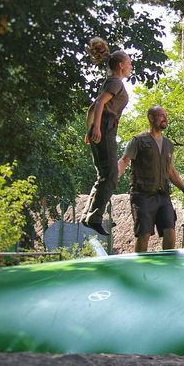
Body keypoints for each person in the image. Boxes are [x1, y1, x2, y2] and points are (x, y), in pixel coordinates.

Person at [117, 106, 184, 253]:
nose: (165, 118)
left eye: (166, 115)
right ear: (151, 118)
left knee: (170, 231)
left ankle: (167, 267)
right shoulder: (138, 141)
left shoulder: (168, 144)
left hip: (163, 195)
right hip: (142, 195)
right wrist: (113, 178)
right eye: (161, 115)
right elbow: (124, 160)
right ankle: (141, 269)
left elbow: (170, 170)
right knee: (144, 235)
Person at [81, 37, 133, 236]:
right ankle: (94, 217)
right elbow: (101, 103)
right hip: (106, 130)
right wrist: (96, 128)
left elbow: (91, 108)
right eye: (129, 63)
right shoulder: (115, 83)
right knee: (111, 175)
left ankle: (89, 216)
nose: (131, 66)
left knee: (104, 175)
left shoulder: (111, 82)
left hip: (102, 129)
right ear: (121, 66)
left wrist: (90, 129)